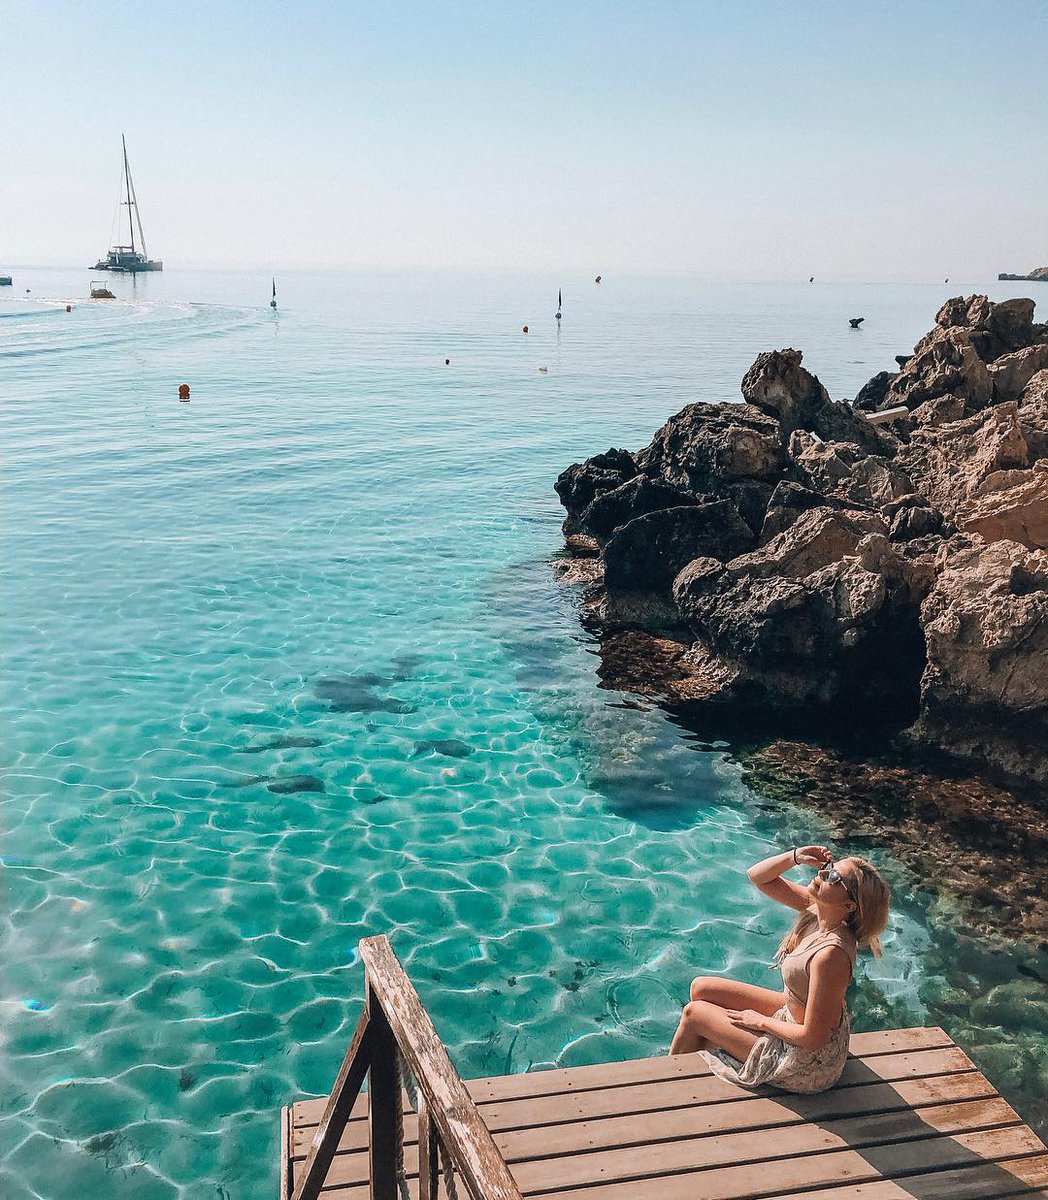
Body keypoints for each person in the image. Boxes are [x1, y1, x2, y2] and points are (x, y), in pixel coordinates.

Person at [668, 845, 890, 1093]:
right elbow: (757, 876)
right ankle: (691, 1061)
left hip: (807, 1063)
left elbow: (812, 1038)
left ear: (850, 905)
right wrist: (795, 857)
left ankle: (663, 1086)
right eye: (828, 868)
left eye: (834, 877)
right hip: (791, 1016)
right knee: (701, 988)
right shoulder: (819, 912)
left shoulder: (831, 955)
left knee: (694, 1014)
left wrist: (761, 1022)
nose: (822, 874)